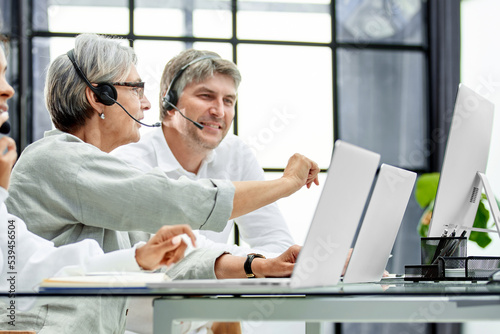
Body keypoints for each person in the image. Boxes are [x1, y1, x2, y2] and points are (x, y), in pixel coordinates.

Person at [2, 33, 311, 333]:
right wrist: (287, 183)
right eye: (136, 90)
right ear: (99, 97)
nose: (147, 104)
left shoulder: (97, 172)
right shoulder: (56, 159)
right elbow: (175, 200)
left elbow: (171, 256)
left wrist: (255, 264)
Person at [112, 49, 294, 259]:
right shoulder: (131, 163)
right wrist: (256, 264)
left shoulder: (236, 153)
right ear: (169, 102)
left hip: (216, 290)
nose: (219, 112)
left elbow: (277, 242)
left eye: (228, 101)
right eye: (206, 96)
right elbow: (183, 252)